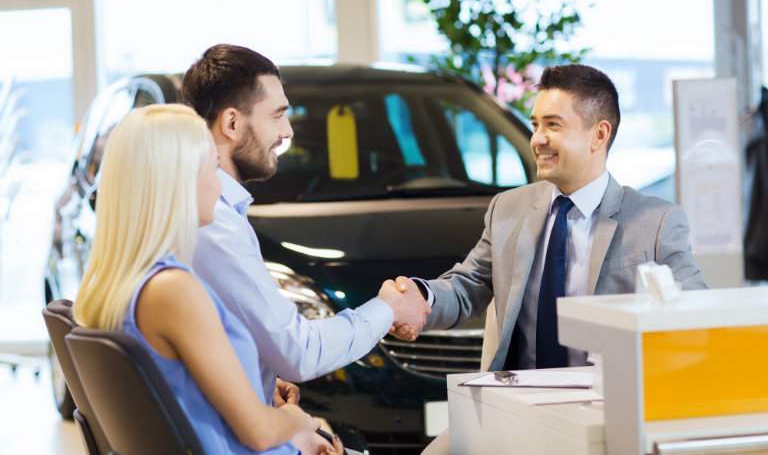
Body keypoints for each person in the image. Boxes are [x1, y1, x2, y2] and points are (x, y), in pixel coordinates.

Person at [390, 64, 708, 372]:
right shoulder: (508, 209)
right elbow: (467, 287)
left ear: (599, 134)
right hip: (518, 404)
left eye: (553, 125)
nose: (538, 139)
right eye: (535, 125)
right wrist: (420, 296)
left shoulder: (655, 222)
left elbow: (695, 313)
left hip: (605, 406)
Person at [73, 104, 343, 454]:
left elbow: (178, 391)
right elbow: (258, 432)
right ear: (177, 181)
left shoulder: (122, 286)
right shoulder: (172, 290)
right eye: (212, 168)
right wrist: (302, 421)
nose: (219, 185)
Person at [181, 45, 429, 408]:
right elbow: (298, 352)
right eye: (278, 116)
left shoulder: (218, 211)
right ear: (232, 123)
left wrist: (257, 377)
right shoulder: (214, 223)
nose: (287, 131)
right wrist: (388, 307)